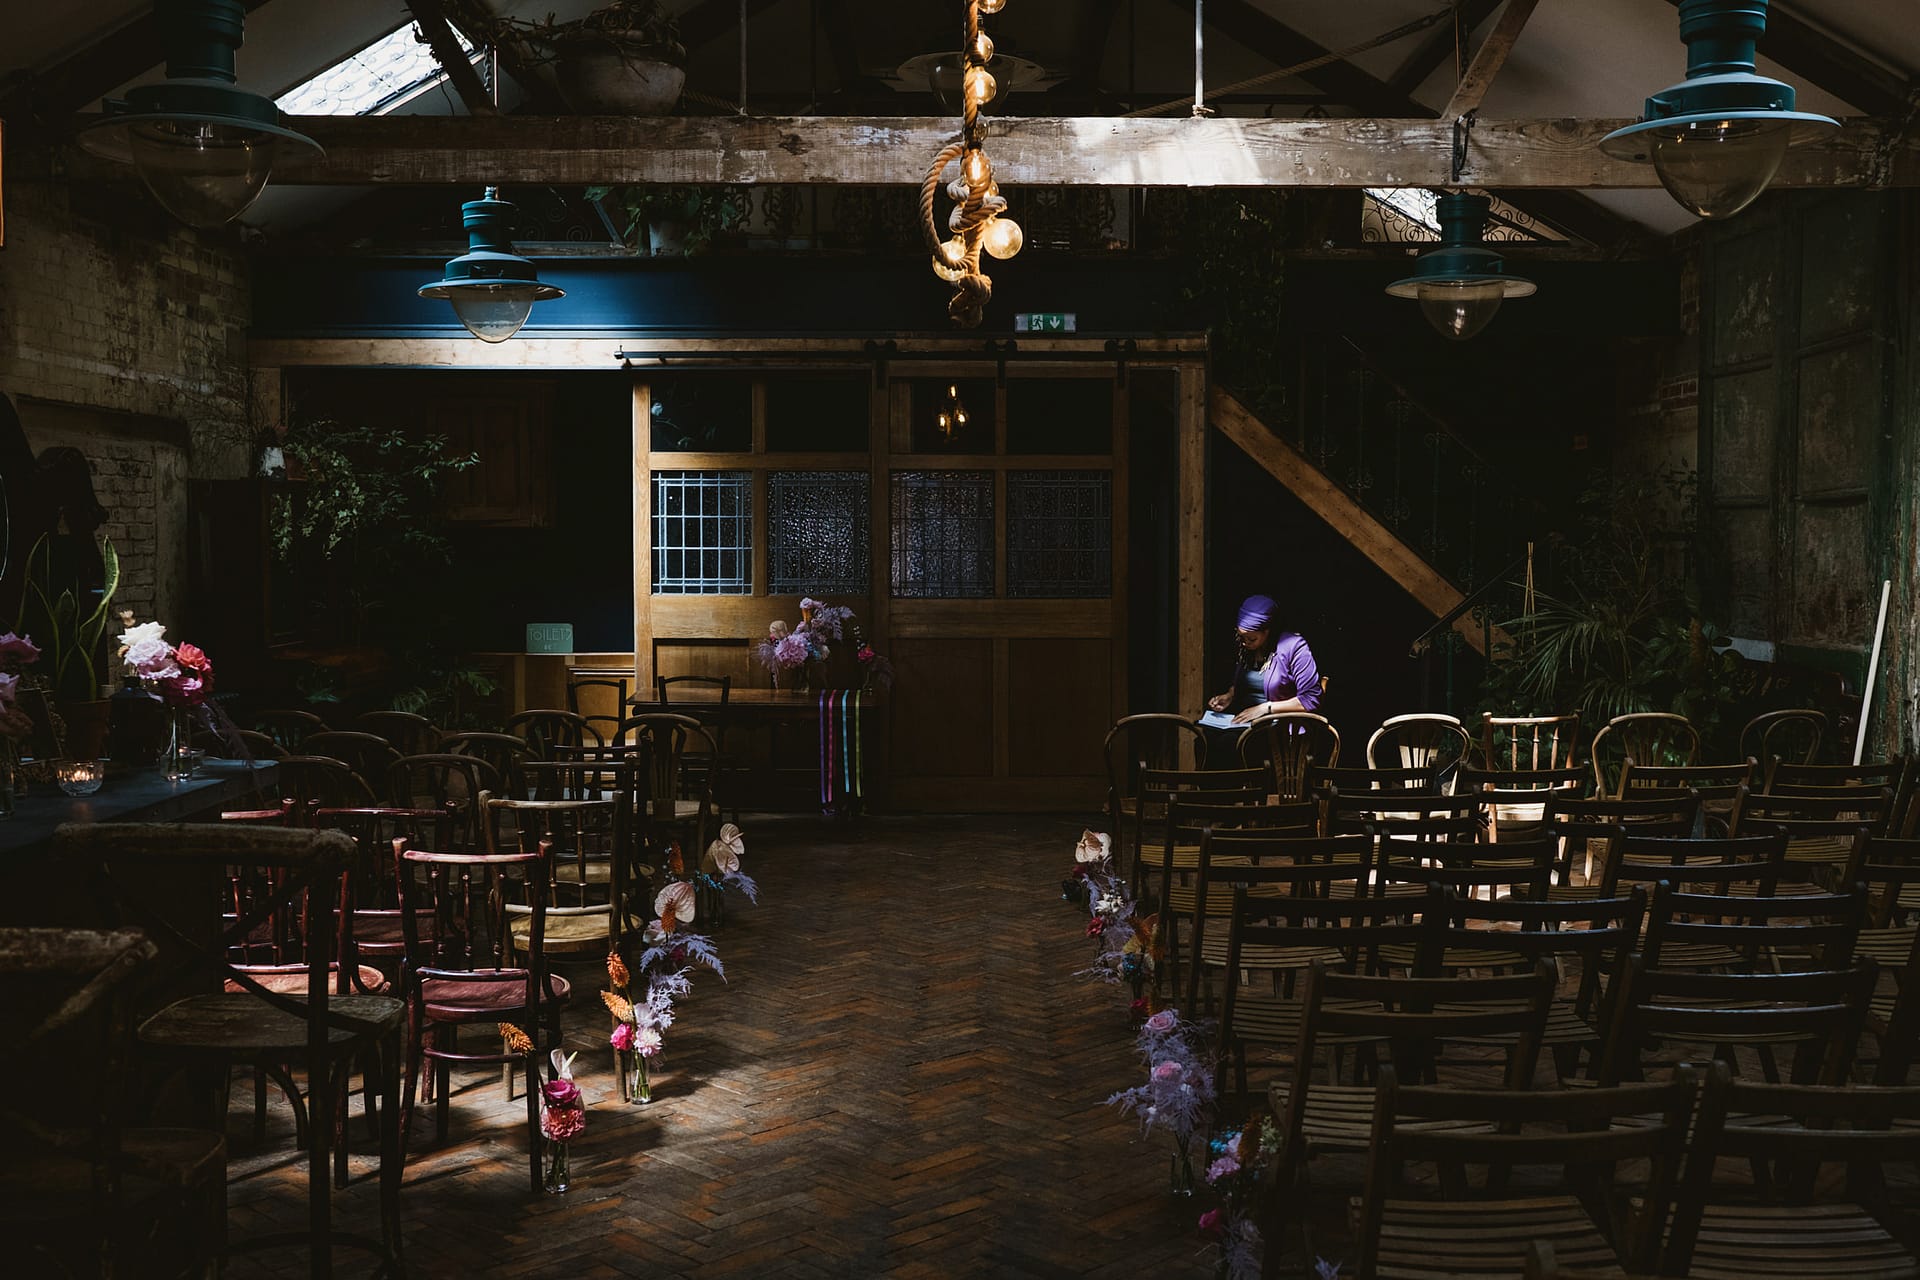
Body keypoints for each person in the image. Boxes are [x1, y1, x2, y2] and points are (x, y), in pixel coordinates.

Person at [1206, 594, 1322, 725]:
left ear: (1267, 631)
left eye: (1251, 639)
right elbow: (1250, 682)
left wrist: (1265, 708)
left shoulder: (1293, 646)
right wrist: (1230, 696)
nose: (1245, 643)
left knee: (1227, 742)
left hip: (1278, 728)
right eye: (1241, 638)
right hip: (1245, 721)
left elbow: (1310, 699)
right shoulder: (1246, 648)